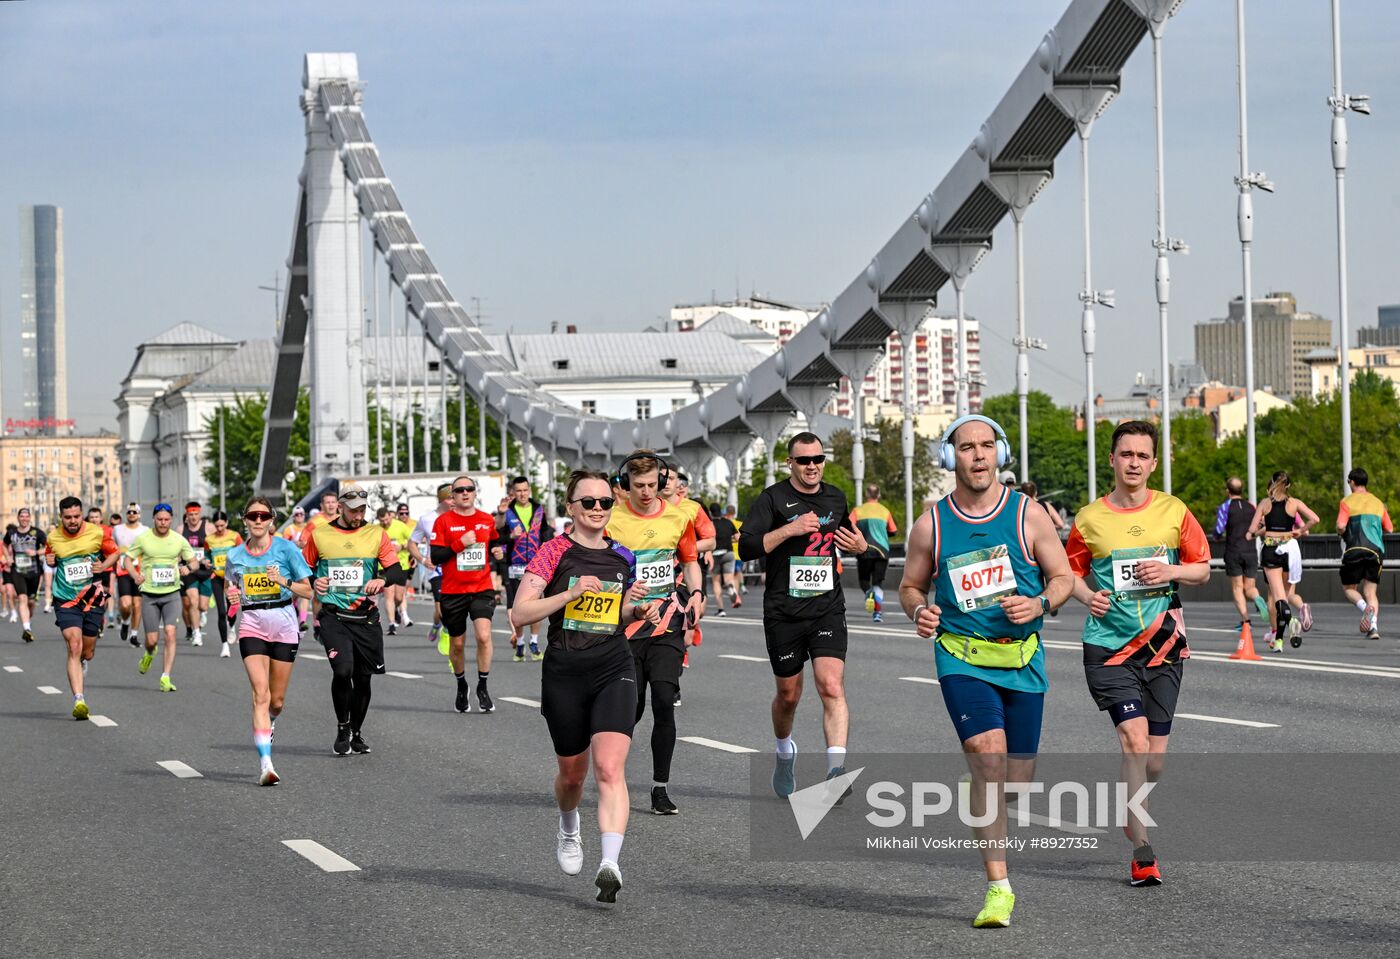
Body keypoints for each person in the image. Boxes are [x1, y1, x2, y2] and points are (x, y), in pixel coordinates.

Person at [900, 415, 1073, 928]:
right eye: (966, 447)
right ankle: (998, 887)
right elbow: (910, 585)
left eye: (986, 446)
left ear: (999, 453)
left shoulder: (1028, 514)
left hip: (1021, 658)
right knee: (987, 756)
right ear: (949, 458)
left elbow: (1063, 576)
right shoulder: (931, 523)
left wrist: (1040, 602)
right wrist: (918, 611)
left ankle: (987, 798)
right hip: (961, 655)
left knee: (1015, 782)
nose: (977, 455)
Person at [1066, 421, 1210, 887]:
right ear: (1112, 460)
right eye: (1125, 454)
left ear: (1153, 462)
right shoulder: (1089, 518)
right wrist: (1089, 598)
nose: (1133, 462)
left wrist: (1169, 568)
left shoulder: (1174, 510)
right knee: (1133, 740)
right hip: (1107, 647)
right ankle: (1143, 852)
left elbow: (1203, 569)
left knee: (1155, 761)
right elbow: (1066, 574)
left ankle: (1134, 807)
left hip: (1164, 644)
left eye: (1141, 456)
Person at [511, 470, 663, 902]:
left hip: (614, 665)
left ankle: (610, 863)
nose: (598, 509)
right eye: (588, 502)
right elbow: (521, 614)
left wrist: (639, 611)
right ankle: (568, 825)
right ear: (571, 508)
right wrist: (570, 594)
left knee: (611, 769)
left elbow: (618, 613)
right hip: (565, 670)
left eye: (605, 502)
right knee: (572, 776)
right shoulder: (553, 552)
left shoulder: (623, 556)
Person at [738, 432, 867, 800]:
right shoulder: (772, 499)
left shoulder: (836, 497)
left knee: (831, 685)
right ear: (790, 463)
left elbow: (854, 541)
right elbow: (746, 547)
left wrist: (861, 547)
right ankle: (784, 752)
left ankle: (835, 770)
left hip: (826, 607)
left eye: (817, 459)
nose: (812, 466)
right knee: (789, 695)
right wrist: (789, 529)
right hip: (783, 611)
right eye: (803, 460)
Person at [604, 450, 704, 815]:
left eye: (651, 485)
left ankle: (660, 788)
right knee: (630, 709)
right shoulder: (611, 521)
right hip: (625, 628)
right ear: (624, 485)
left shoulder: (679, 517)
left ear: (661, 482)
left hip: (667, 626)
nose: (646, 492)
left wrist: (696, 594)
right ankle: (610, 776)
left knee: (664, 700)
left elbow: (690, 562)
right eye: (638, 485)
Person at [301, 482, 405, 756]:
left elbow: (397, 571)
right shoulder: (320, 535)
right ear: (341, 507)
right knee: (342, 670)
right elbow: (303, 568)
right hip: (334, 615)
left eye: (362, 509)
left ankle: (357, 731)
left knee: (363, 679)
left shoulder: (376, 534)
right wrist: (315, 582)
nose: (359, 515)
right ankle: (342, 726)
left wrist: (381, 579)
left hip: (366, 617)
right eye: (353, 510)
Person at [224, 498, 315, 785]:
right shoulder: (235, 555)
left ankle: (271, 720)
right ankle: (266, 764)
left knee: (276, 701)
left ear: (272, 520)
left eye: (264, 515)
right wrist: (232, 595)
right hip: (252, 623)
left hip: (284, 624)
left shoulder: (286, 549)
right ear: (246, 520)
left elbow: (309, 592)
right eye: (253, 515)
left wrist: (283, 583)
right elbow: (231, 585)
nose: (258, 520)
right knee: (260, 695)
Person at [429, 476, 505, 713]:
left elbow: (494, 542)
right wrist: (458, 544)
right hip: (453, 591)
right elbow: (436, 557)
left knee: (483, 636)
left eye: (469, 489)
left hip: (481, 588)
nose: (465, 493)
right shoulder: (443, 522)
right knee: (458, 644)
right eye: (460, 490)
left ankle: (483, 685)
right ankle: (462, 685)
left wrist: (497, 552)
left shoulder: (485, 519)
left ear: (474, 493)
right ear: (452, 495)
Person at [46, 496, 121, 720]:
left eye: (77, 516)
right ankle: (79, 699)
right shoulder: (53, 537)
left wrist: (104, 565)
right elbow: (50, 557)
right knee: (74, 644)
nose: (72, 521)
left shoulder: (97, 532)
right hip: (66, 599)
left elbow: (115, 553)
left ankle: (82, 662)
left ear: (82, 515)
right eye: (68, 517)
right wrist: (50, 561)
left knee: (87, 652)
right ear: (61, 517)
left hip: (93, 597)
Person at [126, 504, 199, 692]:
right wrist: (135, 575)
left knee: (170, 632)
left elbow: (194, 561)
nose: (163, 523)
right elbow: (127, 559)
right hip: (149, 595)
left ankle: (165, 676)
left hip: (172, 594)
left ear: (172, 519)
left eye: (166, 519)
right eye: (159, 519)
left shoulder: (178, 540)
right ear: (153, 519)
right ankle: (150, 652)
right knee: (151, 640)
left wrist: (188, 568)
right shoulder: (143, 538)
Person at [1246, 471, 1317, 652]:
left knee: (1279, 598)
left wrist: (1259, 530)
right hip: (1290, 549)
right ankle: (1279, 638)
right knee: (1286, 594)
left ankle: (1287, 626)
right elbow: (1315, 519)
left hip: (1271, 549)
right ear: (1288, 486)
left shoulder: (1265, 503)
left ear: (1271, 483)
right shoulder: (1294, 503)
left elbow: (1251, 531)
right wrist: (1301, 531)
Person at [499, 476, 554, 661]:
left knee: (535, 604)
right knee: (518, 607)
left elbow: (545, 531)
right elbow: (498, 537)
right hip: (514, 564)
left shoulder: (539, 509)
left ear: (529, 490)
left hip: (535, 565)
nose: (522, 494)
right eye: (518, 491)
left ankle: (534, 642)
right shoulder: (507, 512)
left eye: (525, 490)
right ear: (513, 492)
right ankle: (520, 643)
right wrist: (510, 536)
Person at [1337, 467, 1392, 640]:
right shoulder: (1378, 503)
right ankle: (1373, 628)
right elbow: (1389, 529)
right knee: (1371, 593)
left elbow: (1340, 525)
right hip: (1375, 551)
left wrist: (1341, 532)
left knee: (1349, 588)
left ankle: (1364, 608)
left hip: (1354, 549)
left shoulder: (1347, 502)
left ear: (1352, 482)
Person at [1213, 477, 1270, 636]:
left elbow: (1218, 530)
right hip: (1251, 551)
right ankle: (1258, 598)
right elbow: (1262, 524)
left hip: (1234, 551)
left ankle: (1246, 621)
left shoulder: (1225, 507)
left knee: (1238, 587)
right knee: (1250, 587)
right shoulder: (1251, 506)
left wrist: (1217, 536)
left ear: (1227, 491)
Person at [409, 485, 452, 648]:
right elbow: (412, 543)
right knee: (442, 609)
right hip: (436, 570)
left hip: (456, 569)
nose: (453, 501)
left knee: (449, 609)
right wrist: (422, 559)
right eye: (449, 498)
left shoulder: (461, 516)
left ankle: (436, 625)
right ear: (441, 500)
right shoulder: (427, 519)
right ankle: (446, 634)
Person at [850, 484, 898, 623]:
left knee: (864, 580)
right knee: (878, 582)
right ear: (879, 495)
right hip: (882, 551)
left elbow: (848, 526)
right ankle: (877, 613)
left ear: (866, 494)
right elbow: (893, 531)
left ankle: (868, 592)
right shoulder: (885, 511)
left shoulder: (858, 511)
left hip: (864, 549)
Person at [205, 511, 244, 658]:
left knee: (231, 608)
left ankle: (232, 627)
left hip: (231, 578)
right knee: (221, 612)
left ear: (227, 523)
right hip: (217, 576)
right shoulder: (209, 539)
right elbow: (207, 556)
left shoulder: (234, 536)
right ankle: (224, 646)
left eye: (222, 525)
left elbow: (243, 554)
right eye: (217, 526)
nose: (220, 528)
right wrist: (207, 562)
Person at [6, 509, 47, 643]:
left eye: (26, 516)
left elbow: (49, 547)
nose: (24, 519)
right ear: (18, 518)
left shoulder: (37, 533)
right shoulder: (12, 533)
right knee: (22, 599)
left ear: (30, 518)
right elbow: (5, 545)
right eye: (22, 516)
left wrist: (36, 552)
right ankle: (27, 629)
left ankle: (27, 622)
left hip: (34, 571)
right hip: (18, 571)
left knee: (30, 602)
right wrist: (8, 557)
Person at [178, 502, 215, 646]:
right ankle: (196, 633)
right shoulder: (181, 529)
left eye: (196, 514)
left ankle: (202, 614)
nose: (193, 517)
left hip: (205, 571)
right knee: (192, 601)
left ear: (200, 514)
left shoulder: (209, 527)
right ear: (186, 515)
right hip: (190, 570)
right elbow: (177, 549)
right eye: (190, 514)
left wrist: (210, 559)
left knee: (203, 606)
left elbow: (216, 547)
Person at [111, 503, 147, 646]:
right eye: (129, 512)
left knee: (137, 604)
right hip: (123, 570)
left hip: (139, 571)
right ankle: (125, 622)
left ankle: (134, 635)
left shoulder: (145, 530)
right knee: (126, 605)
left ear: (139, 514)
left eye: (135, 512)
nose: (132, 514)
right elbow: (112, 548)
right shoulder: (117, 529)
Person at [375, 506, 414, 635]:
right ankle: (392, 624)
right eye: (382, 521)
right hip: (384, 567)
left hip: (401, 565)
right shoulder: (376, 529)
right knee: (388, 595)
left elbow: (413, 542)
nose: (385, 523)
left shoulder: (400, 526)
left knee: (398, 596)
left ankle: (397, 611)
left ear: (390, 516)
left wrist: (402, 546)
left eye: (387, 519)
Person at [708, 503, 738, 614]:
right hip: (728, 553)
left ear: (711, 513)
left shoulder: (709, 524)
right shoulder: (728, 522)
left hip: (715, 555)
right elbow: (737, 537)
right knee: (728, 578)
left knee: (716, 581)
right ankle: (730, 586)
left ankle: (721, 609)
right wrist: (730, 540)